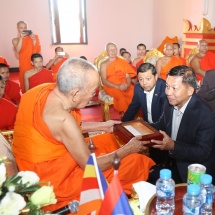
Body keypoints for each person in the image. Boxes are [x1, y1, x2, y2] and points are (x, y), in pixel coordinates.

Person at [12, 58, 155, 211]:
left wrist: (104, 126)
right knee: (134, 161)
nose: (92, 97)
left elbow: (63, 129)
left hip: (32, 163)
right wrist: (129, 149)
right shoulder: (63, 119)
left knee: (109, 138)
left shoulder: (40, 90)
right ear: (75, 93)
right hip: (52, 179)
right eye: (93, 92)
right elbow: (91, 166)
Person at [149, 65, 215, 183]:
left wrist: (173, 146)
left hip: (192, 172)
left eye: (174, 88)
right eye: (167, 86)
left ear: (190, 90)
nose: (168, 92)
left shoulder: (205, 114)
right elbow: (162, 125)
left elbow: (202, 152)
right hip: (170, 162)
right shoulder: (169, 102)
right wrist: (140, 127)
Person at [122, 63, 167, 164]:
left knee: (162, 157)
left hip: (164, 128)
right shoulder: (138, 87)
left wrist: (145, 129)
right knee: (152, 155)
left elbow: (165, 119)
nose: (144, 83)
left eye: (148, 78)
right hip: (149, 125)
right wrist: (122, 124)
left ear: (156, 76)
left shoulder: (165, 89)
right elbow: (133, 108)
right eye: (140, 79)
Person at [100, 42, 137, 116]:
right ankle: (125, 116)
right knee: (120, 96)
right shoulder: (103, 64)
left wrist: (127, 85)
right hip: (111, 86)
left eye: (114, 49)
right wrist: (117, 86)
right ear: (107, 52)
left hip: (124, 84)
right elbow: (104, 80)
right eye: (111, 50)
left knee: (134, 93)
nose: (113, 52)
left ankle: (133, 115)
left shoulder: (122, 61)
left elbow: (127, 76)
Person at [12, 21, 41, 93]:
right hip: (24, 63)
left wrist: (34, 40)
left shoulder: (34, 37)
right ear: (17, 29)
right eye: (21, 28)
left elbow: (38, 50)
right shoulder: (15, 40)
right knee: (24, 81)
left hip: (34, 62)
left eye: (25, 27)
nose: (23, 29)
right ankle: (26, 96)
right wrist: (21, 38)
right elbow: (18, 50)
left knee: (36, 80)